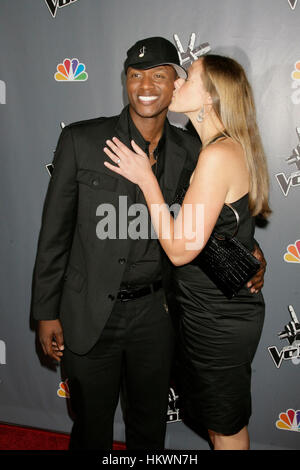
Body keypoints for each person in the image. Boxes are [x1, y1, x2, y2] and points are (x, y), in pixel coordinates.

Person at [31, 37, 266, 450]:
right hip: (88, 315)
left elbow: (214, 222)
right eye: (135, 75)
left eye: (160, 75)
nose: (145, 85)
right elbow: (54, 234)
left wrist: (249, 256)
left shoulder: (197, 149)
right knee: (90, 428)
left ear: (177, 84)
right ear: (124, 81)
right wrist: (46, 311)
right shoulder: (81, 140)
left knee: (149, 431)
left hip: (158, 317)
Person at [103, 53, 271, 450]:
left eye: (188, 78)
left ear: (210, 98)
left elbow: (179, 251)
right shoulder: (218, 147)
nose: (176, 84)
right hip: (206, 310)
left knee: (226, 428)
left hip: (218, 318)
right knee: (217, 424)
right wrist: (252, 251)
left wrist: (146, 178)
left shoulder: (216, 155)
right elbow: (227, 227)